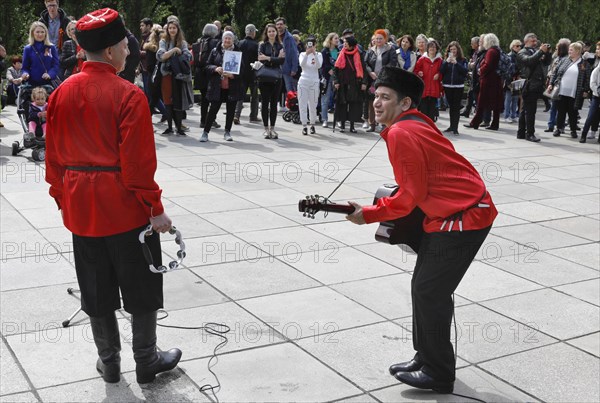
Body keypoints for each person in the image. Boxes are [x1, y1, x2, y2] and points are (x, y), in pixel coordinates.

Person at [44, 8, 181, 385]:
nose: (128, 51)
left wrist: (66, 200)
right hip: (126, 212)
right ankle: (146, 360)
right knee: (141, 286)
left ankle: (110, 363)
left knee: (96, 289)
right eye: (124, 45)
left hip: (81, 213)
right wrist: (156, 211)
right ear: (108, 51)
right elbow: (138, 168)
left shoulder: (59, 94)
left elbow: (52, 163)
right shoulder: (129, 95)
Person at [346, 66, 497, 394]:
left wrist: (368, 214)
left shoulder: (402, 133)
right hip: (454, 212)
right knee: (424, 287)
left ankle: (439, 373)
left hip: (465, 216)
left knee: (430, 291)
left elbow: (409, 196)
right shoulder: (411, 123)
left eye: (386, 98)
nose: (377, 103)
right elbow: (413, 189)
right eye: (376, 96)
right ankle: (425, 356)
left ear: (405, 104)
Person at [199, 31, 243, 142]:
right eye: (225, 38)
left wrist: (233, 75)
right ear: (222, 39)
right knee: (213, 110)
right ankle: (205, 132)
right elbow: (207, 66)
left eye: (229, 38)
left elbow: (242, 70)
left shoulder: (237, 53)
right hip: (217, 86)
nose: (227, 40)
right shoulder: (215, 51)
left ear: (233, 40)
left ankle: (227, 131)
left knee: (230, 110)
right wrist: (215, 68)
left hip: (231, 87)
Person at [157, 19, 193, 136]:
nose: (172, 30)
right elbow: (161, 56)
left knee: (178, 101)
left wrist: (179, 52)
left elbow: (188, 57)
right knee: (167, 101)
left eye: (174, 28)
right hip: (167, 75)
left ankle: (179, 127)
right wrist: (174, 50)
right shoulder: (163, 41)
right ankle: (169, 127)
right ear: (167, 30)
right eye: (170, 28)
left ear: (178, 29)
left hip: (179, 76)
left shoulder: (182, 42)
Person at [548, 42, 590, 139]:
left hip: (575, 92)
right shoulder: (564, 60)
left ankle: (573, 130)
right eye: (569, 49)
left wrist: (586, 90)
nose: (569, 51)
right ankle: (558, 129)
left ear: (578, 51)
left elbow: (587, 79)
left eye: (571, 50)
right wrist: (551, 83)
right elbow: (555, 73)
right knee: (561, 111)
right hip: (561, 91)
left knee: (573, 112)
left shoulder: (584, 63)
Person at [516, 33, 551, 142]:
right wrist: (540, 51)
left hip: (536, 84)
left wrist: (547, 53)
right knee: (530, 111)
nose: (535, 43)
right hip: (529, 85)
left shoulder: (535, 52)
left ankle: (521, 132)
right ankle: (529, 134)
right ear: (526, 41)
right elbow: (529, 61)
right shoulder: (522, 52)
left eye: (536, 41)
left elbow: (546, 62)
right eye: (533, 41)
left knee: (525, 110)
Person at [465, 33, 503, 130]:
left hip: (488, 81)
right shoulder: (497, 50)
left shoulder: (491, 51)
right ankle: (494, 124)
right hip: (495, 80)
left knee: (481, 103)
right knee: (495, 104)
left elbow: (488, 65)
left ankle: (475, 122)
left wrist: (480, 70)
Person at [364, 29, 397, 132]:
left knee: (384, 102)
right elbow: (365, 63)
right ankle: (372, 124)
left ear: (385, 39)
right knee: (371, 101)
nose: (378, 40)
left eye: (380, 38)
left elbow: (392, 63)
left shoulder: (390, 49)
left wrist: (382, 73)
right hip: (372, 79)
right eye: (376, 38)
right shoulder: (371, 50)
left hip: (385, 80)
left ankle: (383, 124)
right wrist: (370, 72)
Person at [332, 36, 367, 133]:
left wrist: (364, 82)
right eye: (344, 42)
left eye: (346, 42)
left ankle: (352, 126)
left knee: (353, 105)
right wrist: (336, 82)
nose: (344, 44)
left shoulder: (359, 55)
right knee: (342, 104)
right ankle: (342, 125)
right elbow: (335, 70)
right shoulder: (341, 53)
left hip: (355, 84)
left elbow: (363, 69)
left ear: (351, 44)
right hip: (342, 83)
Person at [257, 23, 285, 139]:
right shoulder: (262, 45)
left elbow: (282, 61)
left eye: (273, 31)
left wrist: (268, 58)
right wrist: (275, 59)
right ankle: (265, 129)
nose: (271, 33)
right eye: (269, 31)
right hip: (264, 78)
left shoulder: (280, 45)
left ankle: (272, 128)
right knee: (265, 103)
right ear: (266, 33)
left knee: (274, 104)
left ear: (276, 33)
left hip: (277, 78)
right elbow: (260, 59)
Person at [440, 41, 468, 135]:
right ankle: (451, 126)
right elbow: (441, 71)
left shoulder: (463, 60)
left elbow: (464, 72)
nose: (453, 51)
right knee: (451, 107)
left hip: (458, 86)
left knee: (456, 107)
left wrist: (456, 63)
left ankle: (455, 127)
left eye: (454, 49)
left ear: (458, 50)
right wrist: (446, 62)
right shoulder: (445, 59)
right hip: (448, 85)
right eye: (451, 49)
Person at [21, 21, 60, 90]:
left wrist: (50, 74)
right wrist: (25, 74)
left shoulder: (51, 47)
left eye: (42, 32)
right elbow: (25, 67)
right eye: (37, 32)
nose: (40, 34)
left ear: (46, 33)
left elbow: (55, 65)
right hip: (32, 84)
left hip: (48, 84)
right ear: (33, 33)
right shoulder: (28, 49)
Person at [297, 35, 323, 135]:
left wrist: (314, 54)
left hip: (314, 82)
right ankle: (304, 125)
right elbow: (302, 65)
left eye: (312, 44)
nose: (311, 46)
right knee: (302, 104)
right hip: (303, 81)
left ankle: (312, 124)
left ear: (315, 45)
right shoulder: (302, 54)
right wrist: (307, 54)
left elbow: (318, 66)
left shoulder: (319, 54)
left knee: (313, 105)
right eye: (309, 44)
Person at [235, 24, 260, 124]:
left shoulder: (239, 43)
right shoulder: (256, 45)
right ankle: (253, 116)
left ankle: (237, 115)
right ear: (253, 32)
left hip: (241, 73)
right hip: (253, 73)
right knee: (254, 96)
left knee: (240, 95)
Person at [414, 40, 443, 121]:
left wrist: (439, 74)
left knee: (432, 111)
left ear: (436, 49)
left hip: (434, 88)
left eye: (434, 47)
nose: (432, 49)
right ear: (427, 48)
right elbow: (416, 70)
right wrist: (419, 73)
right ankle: (423, 128)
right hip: (424, 88)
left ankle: (430, 129)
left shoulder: (440, 60)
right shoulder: (422, 59)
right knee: (423, 111)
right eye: (430, 47)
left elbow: (443, 72)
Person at [580, 43, 600, 143]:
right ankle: (584, 134)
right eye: (596, 49)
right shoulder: (595, 62)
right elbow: (592, 81)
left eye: (598, 49)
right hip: (596, 94)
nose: (597, 51)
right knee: (591, 115)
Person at [320, 32, 339, 128]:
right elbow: (322, 65)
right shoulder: (324, 51)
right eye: (335, 38)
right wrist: (328, 70)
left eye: (338, 38)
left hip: (337, 77)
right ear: (330, 40)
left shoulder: (339, 50)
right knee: (325, 99)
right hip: (327, 78)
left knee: (338, 98)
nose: (337, 40)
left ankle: (338, 119)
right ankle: (324, 119)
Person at [275, 17, 299, 93]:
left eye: (281, 24)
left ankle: (292, 105)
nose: (279, 26)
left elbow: (294, 54)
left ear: (285, 25)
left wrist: (294, 69)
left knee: (290, 90)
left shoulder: (289, 38)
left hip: (287, 69)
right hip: (276, 68)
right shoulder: (274, 36)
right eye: (277, 24)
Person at [503, 39, 522, 123]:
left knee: (515, 98)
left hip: (517, 78)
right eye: (517, 46)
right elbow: (509, 69)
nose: (519, 47)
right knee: (509, 98)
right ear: (513, 46)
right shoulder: (510, 56)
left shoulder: (519, 55)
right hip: (510, 79)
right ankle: (506, 115)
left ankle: (513, 115)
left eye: (520, 46)